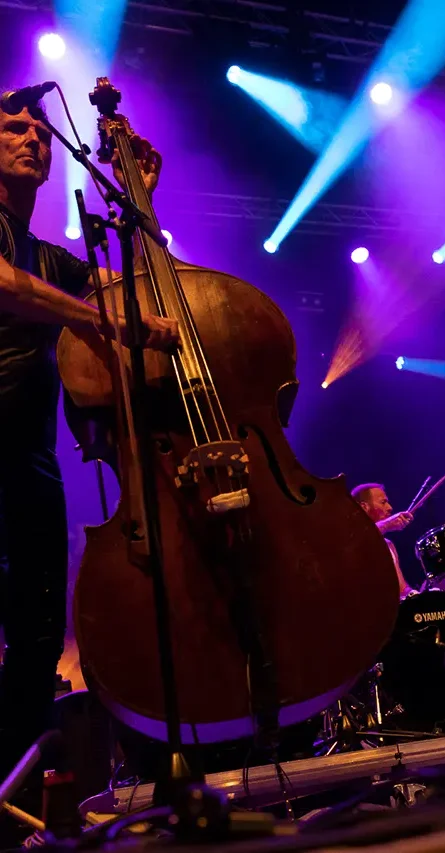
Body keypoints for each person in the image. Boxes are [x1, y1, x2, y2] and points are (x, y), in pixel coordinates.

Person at [0, 95, 179, 784]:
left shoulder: (48, 254)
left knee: (39, 633)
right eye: (13, 128)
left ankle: (10, 796)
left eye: (41, 131)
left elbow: (129, 290)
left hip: (30, 457)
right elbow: (6, 285)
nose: (33, 140)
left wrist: (142, 205)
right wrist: (102, 324)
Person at [351, 483, 416, 597]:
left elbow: (402, 589)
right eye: (383, 502)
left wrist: (418, 595)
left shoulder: (388, 545)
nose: (390, 507)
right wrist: (386, 525)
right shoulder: (346, 537)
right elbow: (359, 539)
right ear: (364, 507)